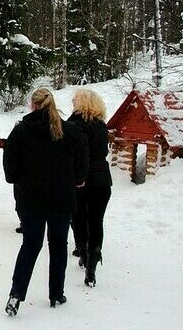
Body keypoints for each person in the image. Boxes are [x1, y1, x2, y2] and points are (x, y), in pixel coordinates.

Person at [2, 88, 88, 316]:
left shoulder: (20, 132)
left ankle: (16, 294)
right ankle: (56, 293)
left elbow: (10, 172)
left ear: (32, 105)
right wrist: (77, 180)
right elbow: (81, 164)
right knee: (59, 245)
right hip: (62, 200)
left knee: (30, 245)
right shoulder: (70, 131)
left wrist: (21, 181)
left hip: (30, 201)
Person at [68, 88, 111, 287]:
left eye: (75, 100)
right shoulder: (102, 126)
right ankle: (93, 260)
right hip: (102, 179)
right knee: (96, 220)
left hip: (80, 178)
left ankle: (83, 252)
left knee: (78, 216)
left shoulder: (73, 126)